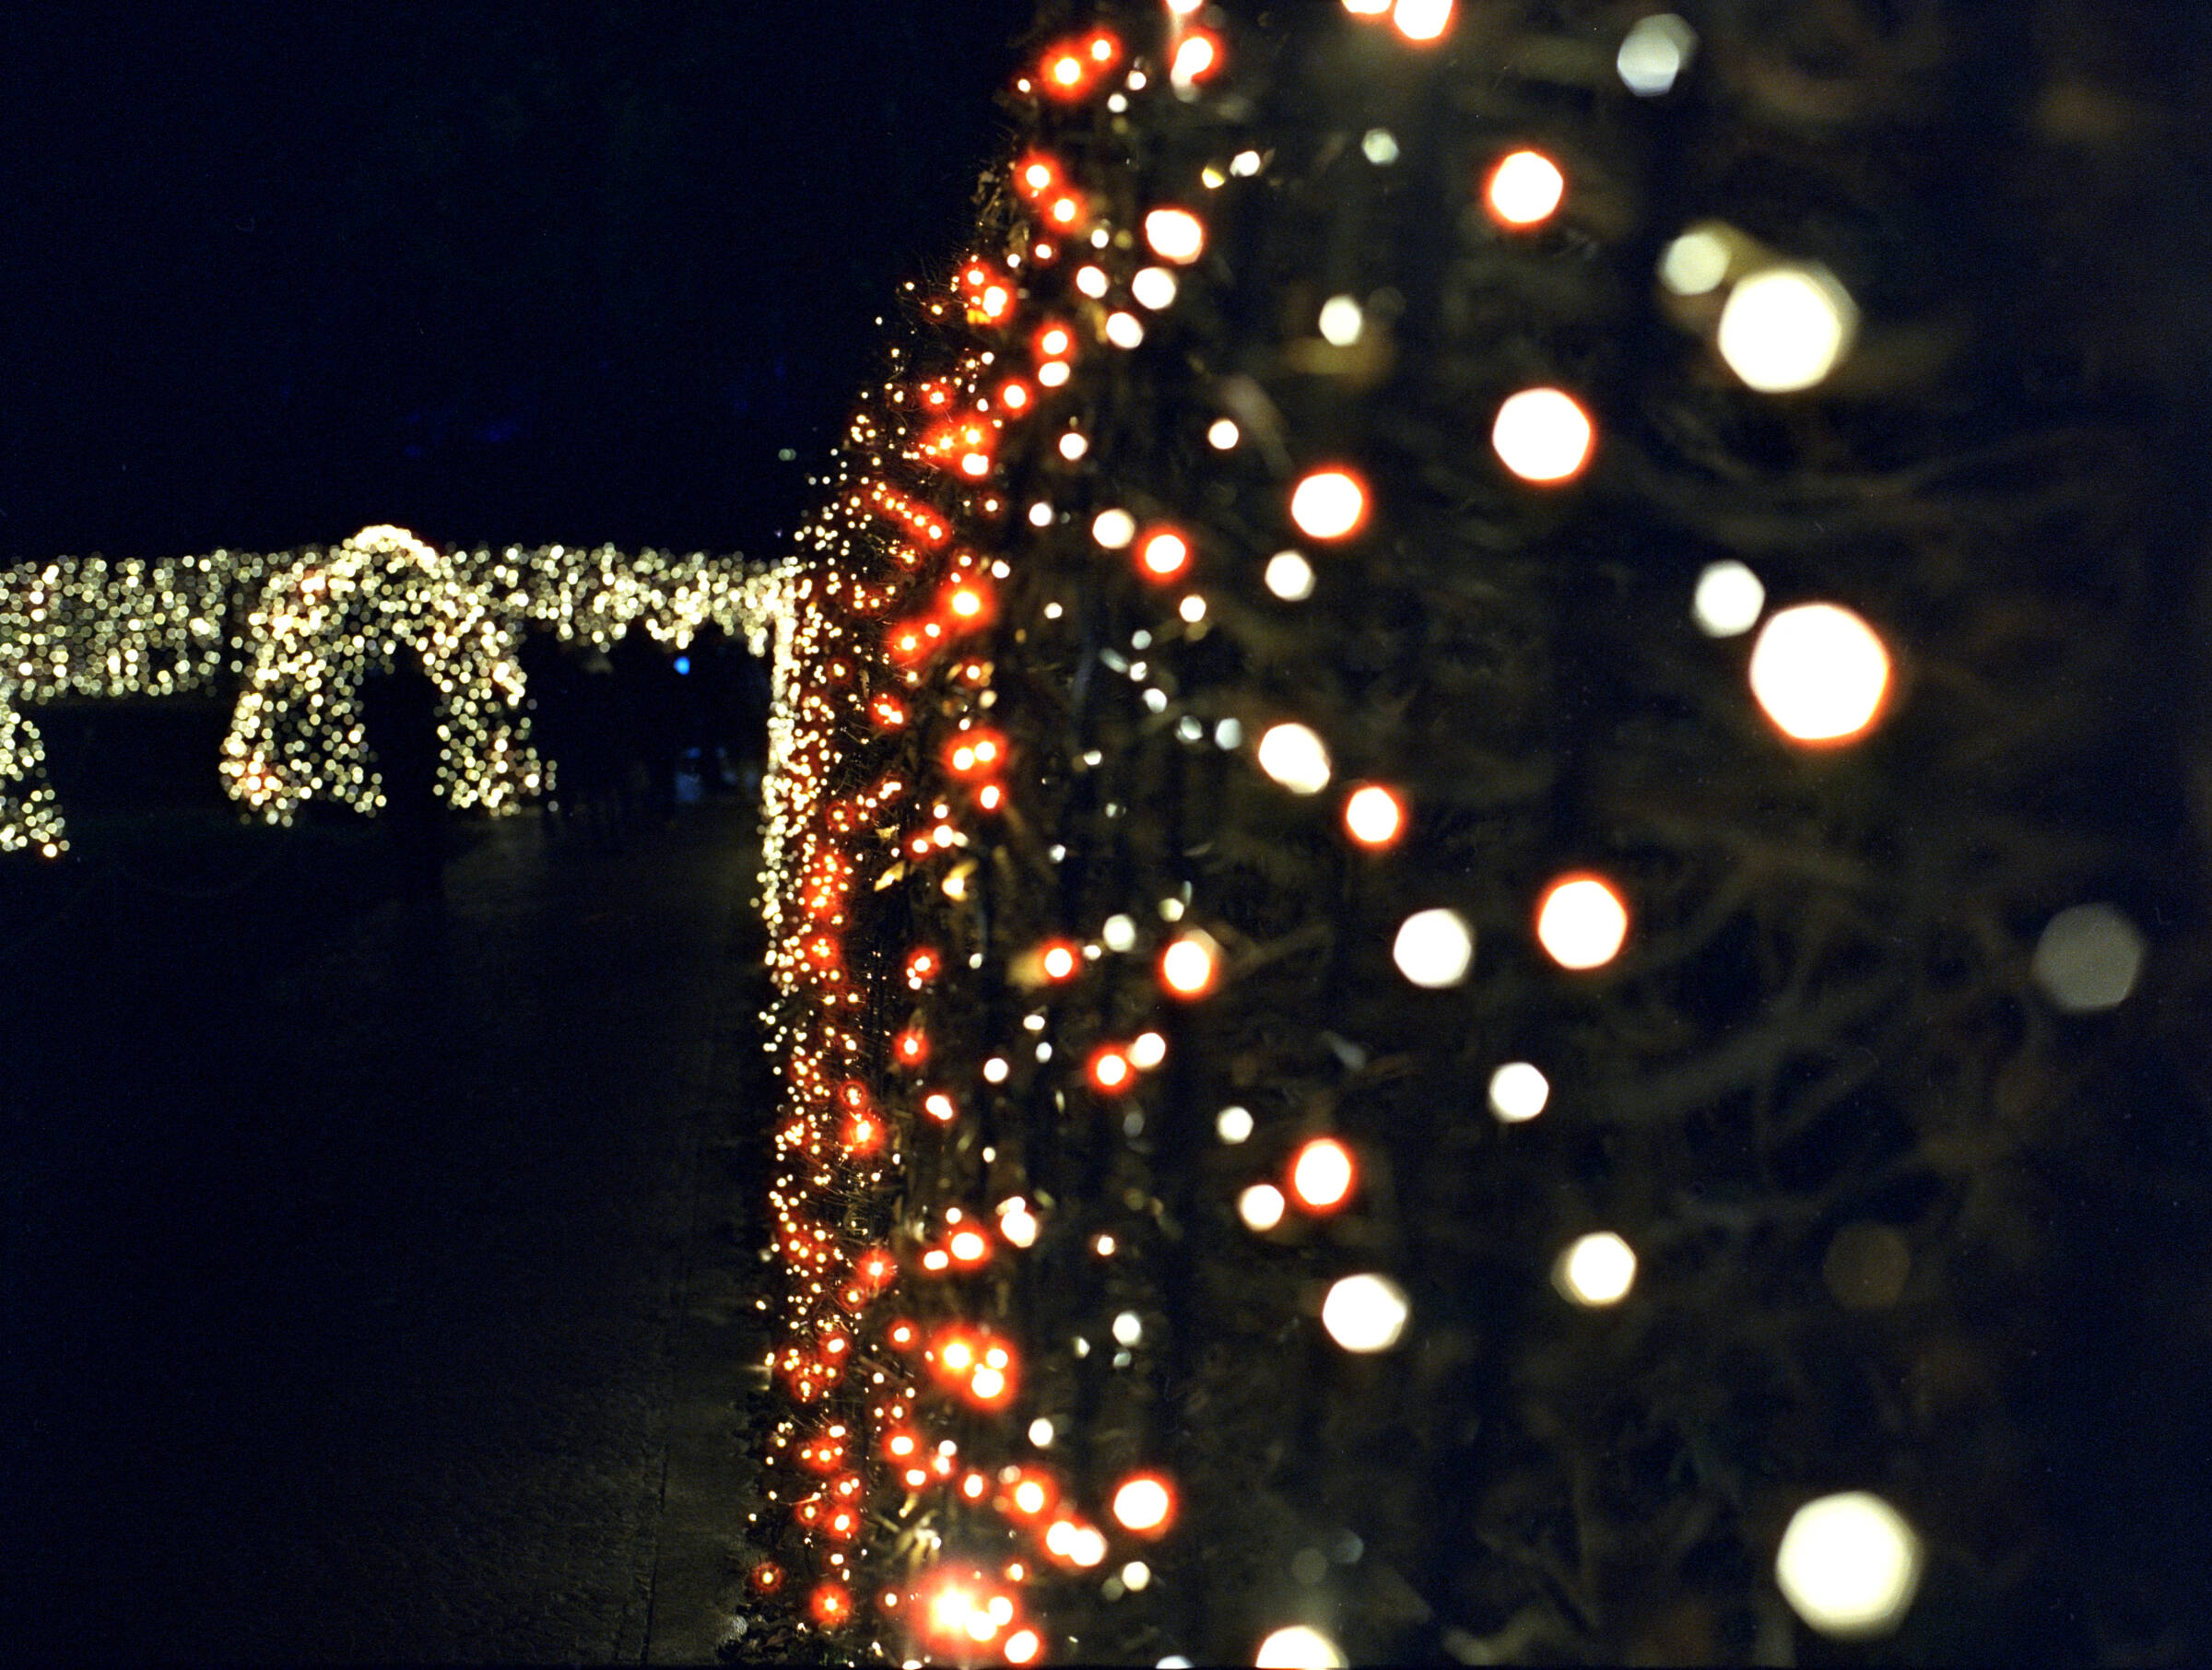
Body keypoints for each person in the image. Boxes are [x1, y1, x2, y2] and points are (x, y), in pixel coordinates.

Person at [359, 651, 445, 898]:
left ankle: (414, 883)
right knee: (421, 823)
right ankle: (427, 881)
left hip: (403, 765)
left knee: (408, 825)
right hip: (414, 764)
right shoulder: (415, 687)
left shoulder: (392, 689)